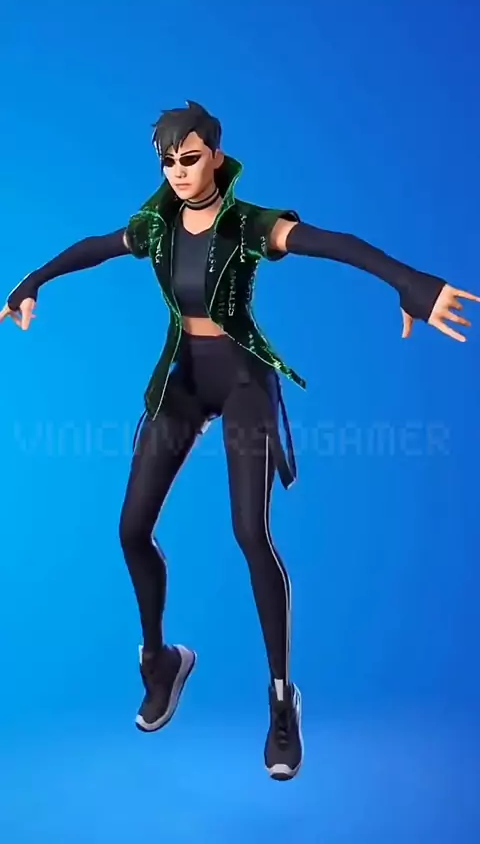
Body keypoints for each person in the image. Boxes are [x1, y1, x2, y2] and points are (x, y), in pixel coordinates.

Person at [2, 100, 478, 782]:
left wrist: (411, 284)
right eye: (167, 162)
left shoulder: (247, 223)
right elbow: (94, 247)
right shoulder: (156, 226)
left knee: (250, 533)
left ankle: (282, 700)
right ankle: (160, 661)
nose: (178, 172)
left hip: (243, 379)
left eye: (190, 158)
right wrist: (31, 281)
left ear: (216, 157)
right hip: (184, 379)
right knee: (130, 529)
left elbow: (335, 244)